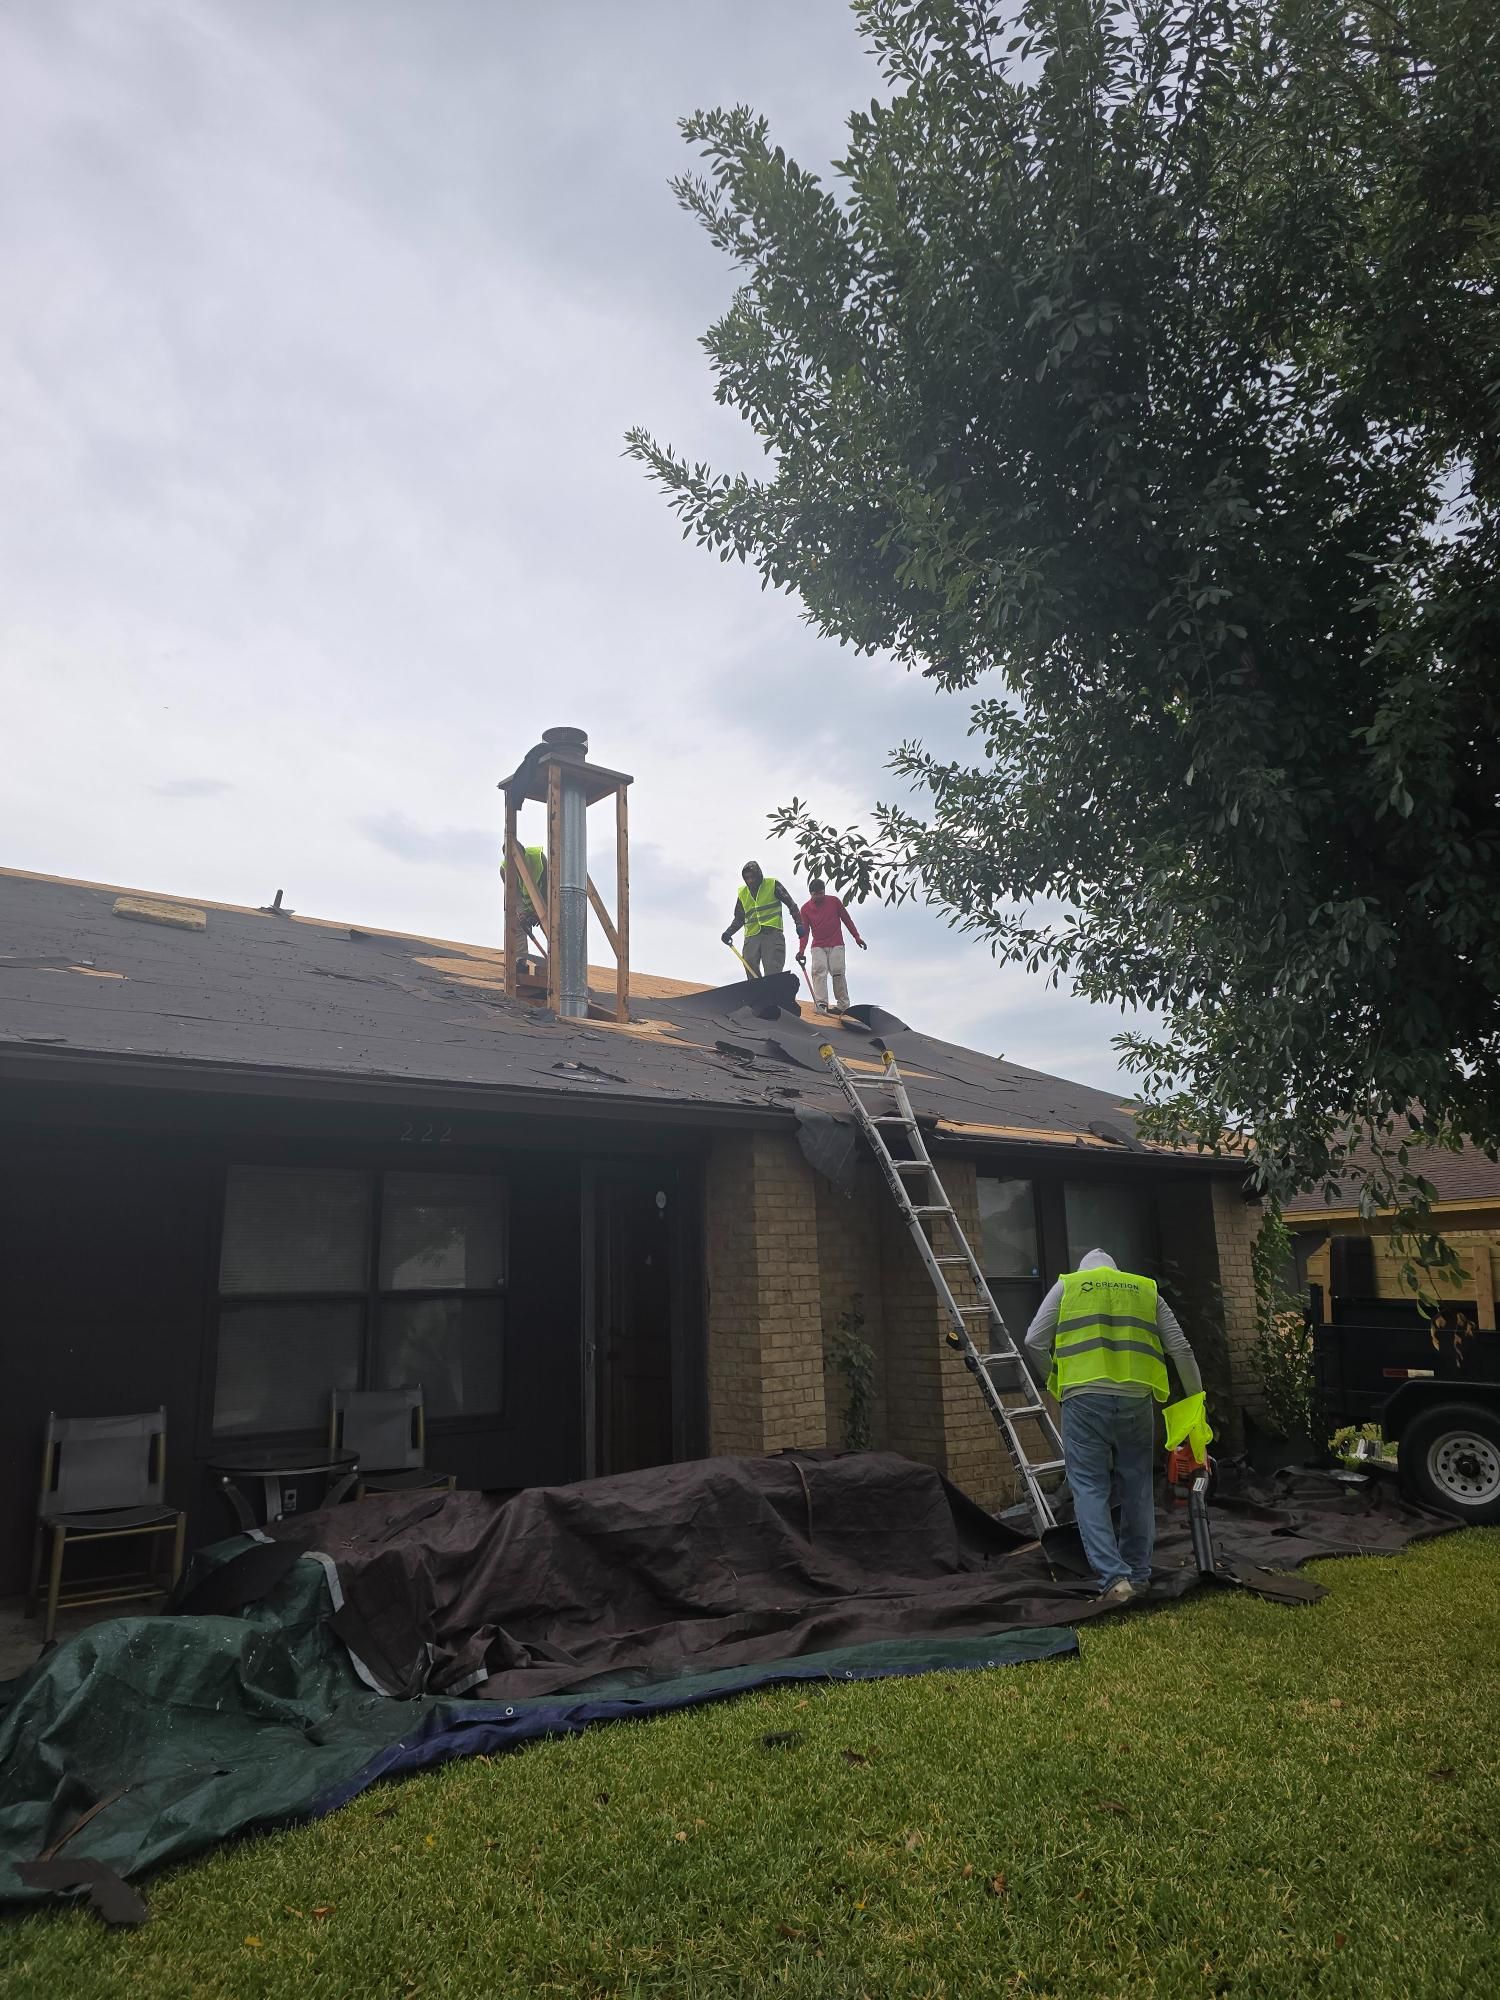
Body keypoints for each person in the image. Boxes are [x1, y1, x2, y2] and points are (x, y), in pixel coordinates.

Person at [1024, 1248, 1203, 1605]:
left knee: (1090, 1486)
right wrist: (1196, 1403)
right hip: (1136, 1399)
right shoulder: (1144, 1289)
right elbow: (1181, 1349)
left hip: (1084, 1398)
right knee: (1137, 1485)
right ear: (1116, 1271)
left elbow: (1033, 1341)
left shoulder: (1069, 1286)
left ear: (1084, 1270)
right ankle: (1138, 1574)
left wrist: (1057, 1384)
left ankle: (1114, 1580)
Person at [721, 861, 807, 977]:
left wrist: (799, 923)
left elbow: (791, 904)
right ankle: (756, 987)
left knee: (772, 970)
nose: (750, 880)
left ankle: (772, 986)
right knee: (749, 963)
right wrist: (728, 932)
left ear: (759, 875)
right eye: (747, 878)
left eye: (752, 877)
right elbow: (739, 918)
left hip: (772, 934)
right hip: (752, 937)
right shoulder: (743, 893)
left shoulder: (772, 885)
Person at [797, 877, 867, 1014]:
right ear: (811, 894)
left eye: (821, 893)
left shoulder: (834, 902)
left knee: (838, 971)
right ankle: (821, 1003)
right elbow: (805, 931)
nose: (819, 896)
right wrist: (801, 950)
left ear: (824, 891)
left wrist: (856, 937)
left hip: (836, 943)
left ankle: (843, 1005)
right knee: (819, 970)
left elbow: (847, 919)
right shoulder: (805, 909)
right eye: (816, 894)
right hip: (818, 945)